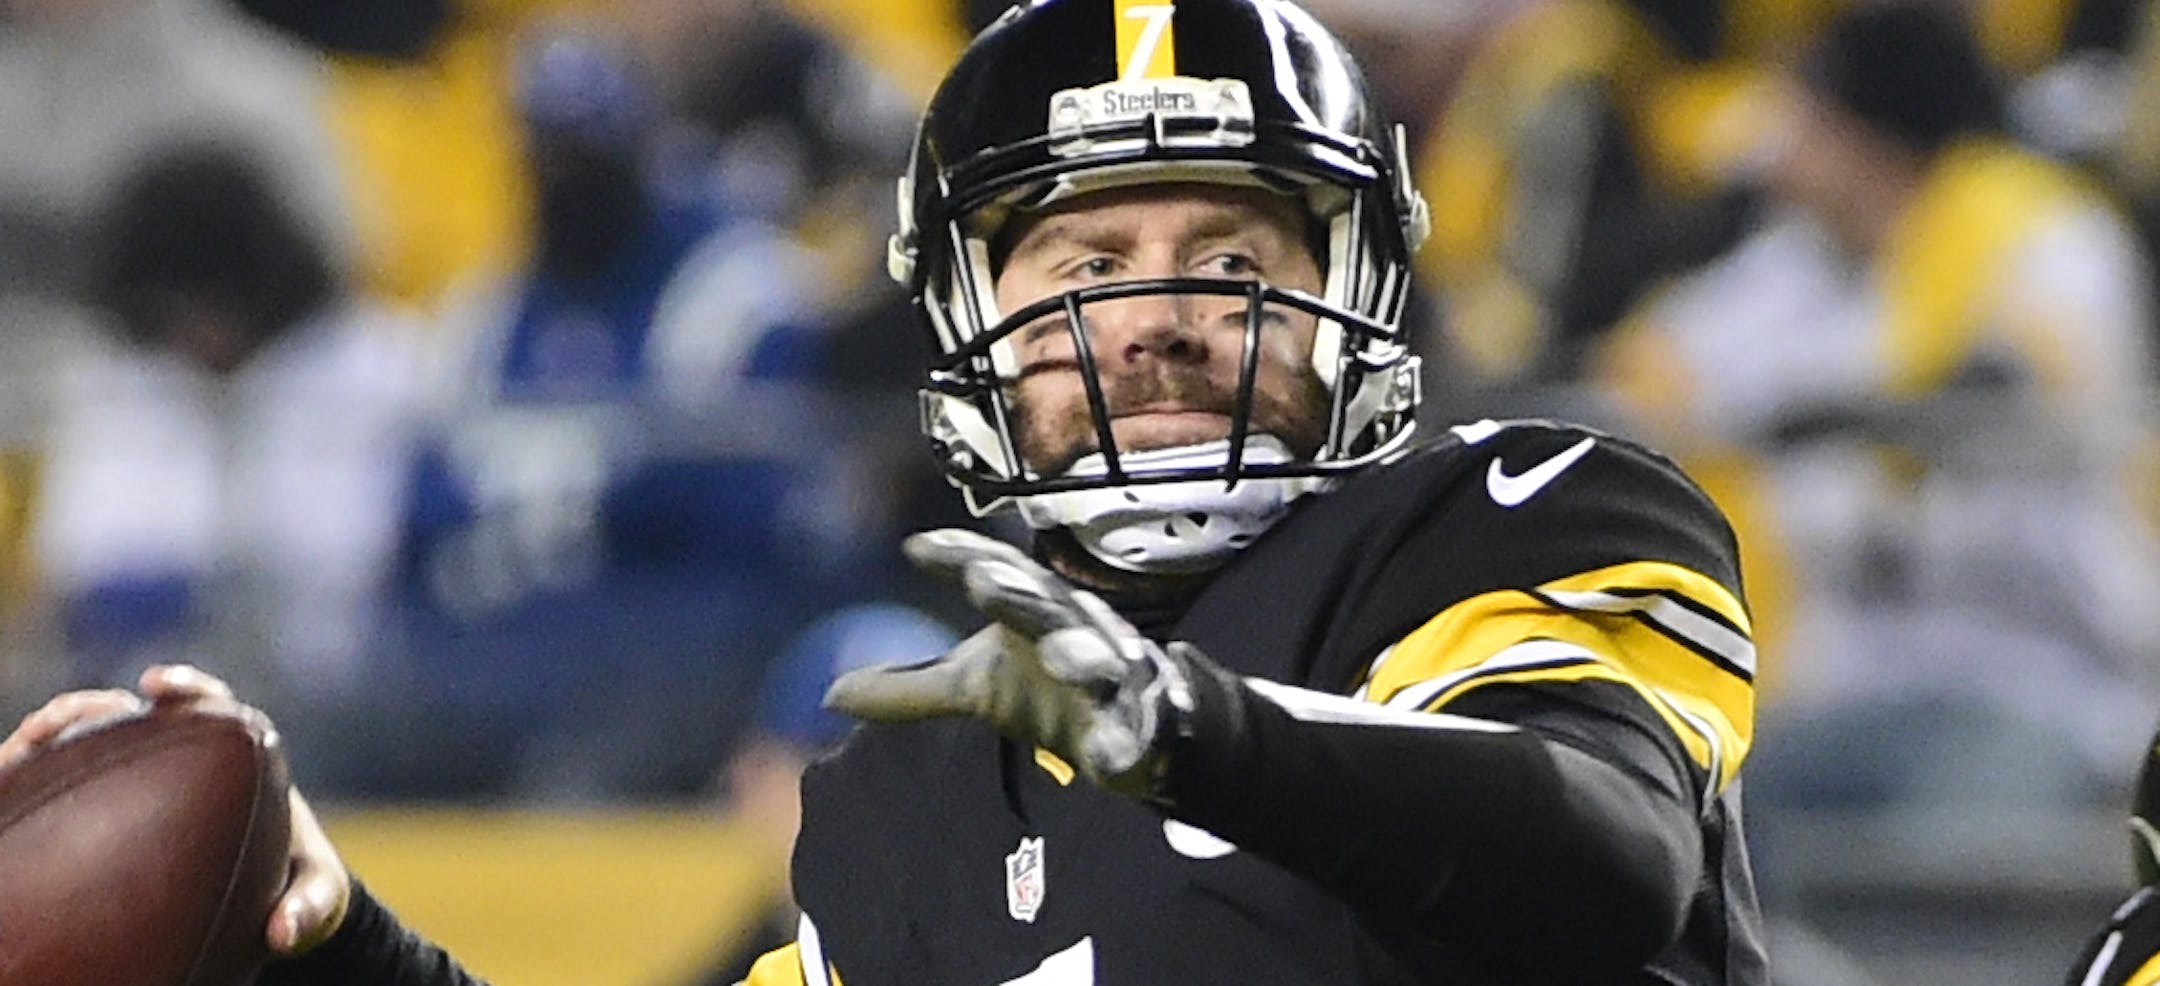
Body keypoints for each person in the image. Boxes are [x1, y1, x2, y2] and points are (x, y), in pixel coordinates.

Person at [1, 1, 1768, 983]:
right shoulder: (911, 792)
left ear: (1353, 293)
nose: (1151, 320)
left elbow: (1603, 858)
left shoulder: (1518, 515)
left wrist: (1189, 728)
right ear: (972, 327)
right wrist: (328, 927)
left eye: (1226, 254)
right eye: (1080, 264)